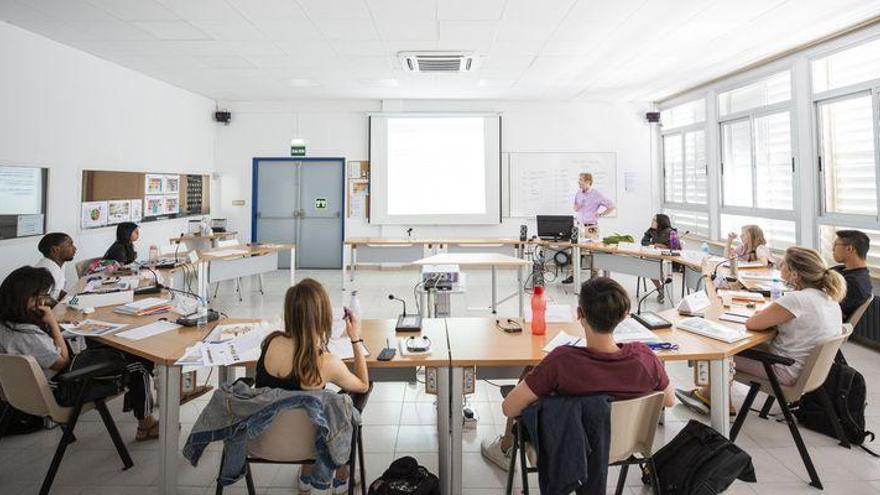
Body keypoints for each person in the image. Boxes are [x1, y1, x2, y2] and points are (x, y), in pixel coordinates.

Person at [480, 277, 675, 470]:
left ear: (580, 314)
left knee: (529, 375)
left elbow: (509, 408)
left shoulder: (561, 361)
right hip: (625, 447)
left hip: (564, 449)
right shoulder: (644, 358)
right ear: (624, 315)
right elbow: (668, 400)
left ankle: (505, 447)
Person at [676, 247, 845, 414]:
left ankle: (713, 399)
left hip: (784, 371)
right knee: (742, 346)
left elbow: (752, 324)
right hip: (808, 372)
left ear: (795, 274)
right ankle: (711, 395)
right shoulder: (829, 298)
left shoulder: (798, 300)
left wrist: (763, 316)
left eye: (784, 264)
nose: (780, 266)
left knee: (717, 351)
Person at [0, 266, 159, 440]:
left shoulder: (7, 327)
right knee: (138, 365)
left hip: (26, 391)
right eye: (43, 296)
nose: (45, 301)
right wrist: (53, 324)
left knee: (114, 352)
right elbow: (62, 361)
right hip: (62, 388)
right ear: (28, 298)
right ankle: (146, 425)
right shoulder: (28, 335)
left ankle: (139, 405)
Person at [256, 278, 369, 494]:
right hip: (310, 445)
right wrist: (356, 338)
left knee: (296, 400)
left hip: (262, 440)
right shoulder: (325, 362)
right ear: (323, 316)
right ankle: (341, 477)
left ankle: (305, 475)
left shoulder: (271, 343)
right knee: (342, 402)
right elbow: (362, 384)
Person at [564, 173, 615, 284]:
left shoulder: (596, 194)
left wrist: (600, 214)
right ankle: (573, 275)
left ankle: (594, 277)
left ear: (588, 181)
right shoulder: (578, 193)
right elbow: (575, 208)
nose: (578, 182)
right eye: (579, 180)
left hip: (591, 227)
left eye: (581, 180)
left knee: (593, 252)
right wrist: (579, 206)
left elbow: (611, 206)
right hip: (579, 226)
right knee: (574, 250)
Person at [831, 230, 872, 322]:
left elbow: (829, 308)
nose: (832, 249)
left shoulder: (854, 283)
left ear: (850, 249)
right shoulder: (842, 269)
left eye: (836, 245)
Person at [641, 213, 676, 303]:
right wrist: (655, 245)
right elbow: (644, 242)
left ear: (660, 222)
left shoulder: (670, 232)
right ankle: (660, 290)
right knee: (649, 269)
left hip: (667, 259)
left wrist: (661, 246)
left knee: (657, 270)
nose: (652, 222)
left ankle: (665, 291)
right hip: (654, 257)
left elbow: (675, 247)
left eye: (654, 220)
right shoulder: (651, 230)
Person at [34, 232, 77, 302]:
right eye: (70, 245)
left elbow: (57, 291)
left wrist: (74, 300)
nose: (75, 248)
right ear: (55, 250)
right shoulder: (47, 271)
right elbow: (42, 299)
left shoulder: (55, 265)